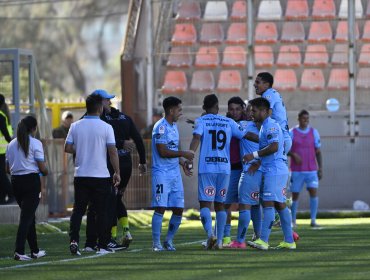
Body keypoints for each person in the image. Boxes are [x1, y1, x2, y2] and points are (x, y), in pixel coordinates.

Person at [189, 94, 256, 250]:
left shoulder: (201, 121)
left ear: (204, 108)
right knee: (220, 205)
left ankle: (210, 235)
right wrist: (265, 140)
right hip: (225, 169)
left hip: (207, 168)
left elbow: (196, 138)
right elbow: (246, 135)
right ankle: (219, 242)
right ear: (218, 107)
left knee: (205, 204)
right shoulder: (228, 122)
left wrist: (189, 156)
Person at [84, 89, 147, 251]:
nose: (109, 102)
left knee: (105, 203)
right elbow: (138, 139)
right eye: (107, 100)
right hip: (124, 166)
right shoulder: (124, 118)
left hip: (109, 166)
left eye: (109, 100)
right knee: (114, 200)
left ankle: (105, 239)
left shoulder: (95, 119)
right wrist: (142, 161)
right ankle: (121, 232)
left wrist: (139, 158)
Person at [65, 93, 121, 255]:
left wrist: (82, 149)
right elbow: (112, 152)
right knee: (101, 211)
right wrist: (117, 172)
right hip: (100, 175)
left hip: (81, 175)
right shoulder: (106, 127)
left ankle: (75, 240)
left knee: (78, 210)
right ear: (100, 108)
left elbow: (67, 148)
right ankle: (102, 246)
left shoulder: (75, 126)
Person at [244, 97, 296, 250]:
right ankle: (289, 240)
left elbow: (274, 147)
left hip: (274, 171)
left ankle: (264, 240)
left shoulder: (271, 126)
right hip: (275, 170)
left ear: (265, 111)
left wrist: (253, 155)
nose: (252, 113)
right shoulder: (264, 126)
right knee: (280, 205)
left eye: (254, 110)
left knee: (268, 203)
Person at [151, 96, 194, 251]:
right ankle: (156, 243)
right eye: (179, 109)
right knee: (160, 207)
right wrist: (184, 154)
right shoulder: (160, 127)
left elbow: (174, 151)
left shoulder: (174, 126)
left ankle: (168, 241)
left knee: (178, 208)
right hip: (161, 173)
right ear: (171, 110)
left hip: (174, 173)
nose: (180, 113)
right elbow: (163, 151)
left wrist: (182, 162)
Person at [5, 115, 48, 261]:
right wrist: (46, 171)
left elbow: (7, 169)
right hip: (31, 182)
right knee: (26, 218)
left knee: (29, 217)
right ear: (34, 128)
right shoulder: (36, 143)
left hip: (16, 182)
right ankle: (19, 251)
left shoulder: (11, 144)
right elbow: (42, 167)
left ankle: (34, 251)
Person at [223, 97, 261, 247]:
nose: (235, 112)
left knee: (254, 204)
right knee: (225, 204)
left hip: (247, 168)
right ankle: (225, 237)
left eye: (238, 109)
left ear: (244, 109)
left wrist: (259, 160)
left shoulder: (250, 124)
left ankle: (256, 236)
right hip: (231, 169)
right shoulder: (227, 123)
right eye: (231, 109)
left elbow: (265, 143)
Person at [289, 110, 322, 227]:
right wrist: (293, 154)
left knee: (313, 192)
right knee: (295, 195)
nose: (306, 121)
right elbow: (284, 149)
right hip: (297, 171)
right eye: (303, 118)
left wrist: (320, 168)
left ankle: (313, 220)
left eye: (307, 118)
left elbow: (318, 151)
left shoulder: (314, 132)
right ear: (298, 119)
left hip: (312, 170)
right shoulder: (292, 132)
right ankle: (293, 221)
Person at [254, 72, 291, 155]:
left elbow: (266, 117)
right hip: (282, 137)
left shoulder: (268, 95)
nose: (254, 84)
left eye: (257, 82)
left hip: (279, 138)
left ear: (266, 85)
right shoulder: (272, 93)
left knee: (272, 165)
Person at [0, 94, 14, 204]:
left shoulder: (1, 116)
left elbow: (5, 134)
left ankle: (11, 193)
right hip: (3, 150)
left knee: (1, 174)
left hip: (1, 151)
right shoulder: (3, 115)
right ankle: (2, 198)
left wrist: (13, 144)